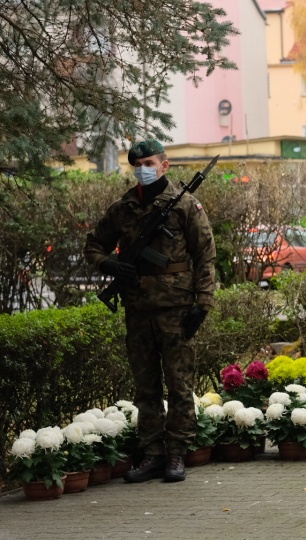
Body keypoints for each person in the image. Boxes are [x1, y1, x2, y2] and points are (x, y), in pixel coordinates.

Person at [84, 140, 217, 483]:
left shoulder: (186, 205)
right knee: (146, 386)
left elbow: (205, 256)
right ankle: (152, 454)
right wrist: (110, 264)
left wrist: (203, 303)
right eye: (137, 163)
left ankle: (176, 454)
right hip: (138, 309)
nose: (143, 168)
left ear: (164, 165)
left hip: (176, 308)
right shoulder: (122, 208)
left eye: (149, 162)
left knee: (179, 384)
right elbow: (94, 245)